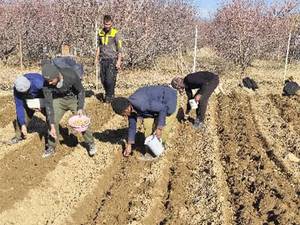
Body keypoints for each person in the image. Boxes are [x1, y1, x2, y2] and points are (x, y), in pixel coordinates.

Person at [41, 62, 96, 158]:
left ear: (57, 75)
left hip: (72, 98)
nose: (49, 83)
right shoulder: (46, 85)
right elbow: (49, 104)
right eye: (47, 81)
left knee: (82, 118)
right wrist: (52, 125)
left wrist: (80, 108)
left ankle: (90, 143)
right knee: (51, 121)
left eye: (51, 80)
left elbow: (81, 91)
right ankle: (51, 146)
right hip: (58, 99)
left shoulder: (70, 74)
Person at [111, 85, 178, 157]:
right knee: (148, 127)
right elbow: (132, 126)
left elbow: (163, 108)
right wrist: (129, 145)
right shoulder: (130, 107)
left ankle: (158, 151)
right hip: (155, 107)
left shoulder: (141, 105)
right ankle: (150, 149)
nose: (124, 116)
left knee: (162, 128)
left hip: (168, 102)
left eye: (123, 114)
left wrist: (159, 128)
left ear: (126, 109)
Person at [9, 73, 45, 144]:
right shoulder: (17, 89)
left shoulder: (39, 83)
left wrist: (42, 106)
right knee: (22, 117)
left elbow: (50, 96)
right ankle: (19, 136)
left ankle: (56, 135)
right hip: (29, 101)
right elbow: (19, 106)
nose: (23, 93)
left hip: (42, 97)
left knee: (51, 117)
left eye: (25, 91)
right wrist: (23, 124)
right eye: (22, 93)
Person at [95, 15, 122, 103]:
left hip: (112, 59)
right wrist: (96, 58)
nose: (107, 26)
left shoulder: (115, 33)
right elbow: (99, 46)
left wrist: (118, 61)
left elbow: (119, 48)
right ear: (103, 23)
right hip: (103, 60)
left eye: (109, 24)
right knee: (103, 80)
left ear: (111, 23)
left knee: (110, 80)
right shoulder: (100, 32)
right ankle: (108, 95)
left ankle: (109, 99)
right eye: (106, 24)